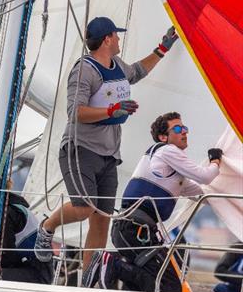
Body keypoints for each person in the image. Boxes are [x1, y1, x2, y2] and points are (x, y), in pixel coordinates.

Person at [36, 17, 180, 267]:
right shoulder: (84, 71)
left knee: (101, 219)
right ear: (107, 39)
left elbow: (136, 72)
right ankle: (47, 227)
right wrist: (111, 110)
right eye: (116, 35)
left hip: (109, 154)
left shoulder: (116, 65)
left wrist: (162, 49)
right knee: (84, 208)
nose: (119, 39)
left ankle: (89, 279)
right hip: (80, 150)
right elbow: (75, 112)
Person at [83, 112, 222, 292]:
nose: (184, 132)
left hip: (133, 230)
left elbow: (203, 195)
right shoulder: (167, 150)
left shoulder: (177, 177)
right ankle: (111, 263)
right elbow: (205, 177)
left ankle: (115, 269)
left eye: (185, 128)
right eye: (178, 129)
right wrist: (216, 160)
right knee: (169, 286)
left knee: (159, 285)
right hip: (135, 230)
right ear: (163, 137)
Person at [0, 184, 53, 284]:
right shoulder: (9, 206)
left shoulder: (9, 212)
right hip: (25, 267)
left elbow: (8, 256)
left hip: (37, 274)